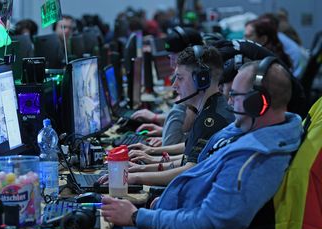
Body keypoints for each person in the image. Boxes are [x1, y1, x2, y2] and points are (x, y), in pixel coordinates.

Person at [101, 57, 303, 229]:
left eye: (234, 95)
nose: (229, 101)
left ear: (257, 104)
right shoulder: (251, 130)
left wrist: (138, 216)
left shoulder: (256, 159)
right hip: (168, 213)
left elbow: (210, 223)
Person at [100, 46, 234, 186]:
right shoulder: (209, 110)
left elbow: (190, 169)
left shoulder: (213, 120)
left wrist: (136, 177)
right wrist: (142, 167)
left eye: (180, 78)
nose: (174, 86)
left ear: (201, 80)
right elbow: (188, 159)